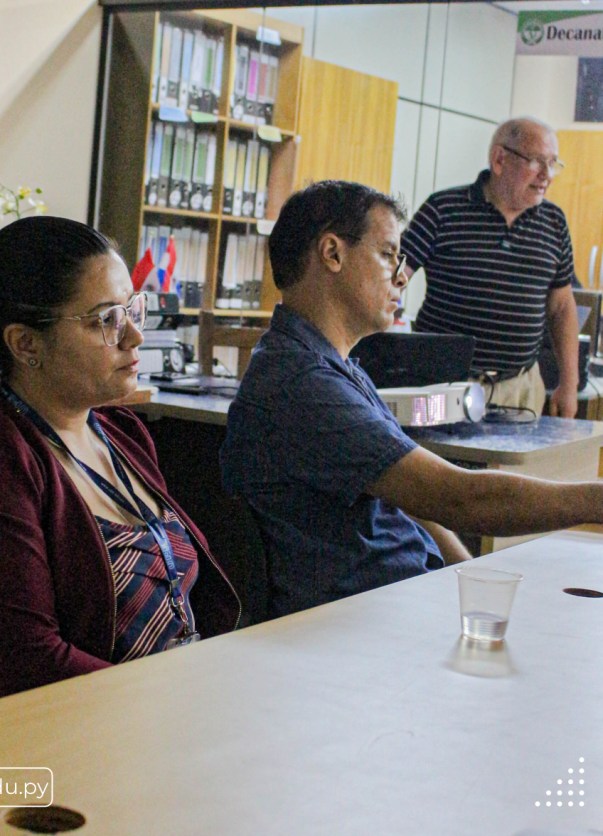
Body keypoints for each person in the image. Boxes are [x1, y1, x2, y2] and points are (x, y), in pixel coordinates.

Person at [0, 216, 240, 716]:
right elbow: (32, 666)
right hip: (76, 739)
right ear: (26, 344)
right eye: (107, 320)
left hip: (163, 715)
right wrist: (177, 701)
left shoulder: (122, 434)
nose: (135, 336)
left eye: (132, 309)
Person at [220, 180, 603, 620]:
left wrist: (467, 580)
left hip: (402, 601)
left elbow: (416, 504)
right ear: (332, 254)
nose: (402, 274)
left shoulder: (336, 367)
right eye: (387, 255)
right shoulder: (302, 383)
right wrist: (595, 501)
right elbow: (458, 498)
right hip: (359, 623)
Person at [401, 117, 577, 419]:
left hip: (520, 388)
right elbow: (393, 277)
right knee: (435, 465)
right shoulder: (443, 209)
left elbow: (561, 307)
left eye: (553, 163)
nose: (547, 175)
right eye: (537, 162)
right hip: (442, 383)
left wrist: (569, 383)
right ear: (499, 159)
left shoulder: (554, 222)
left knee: (509, 468)